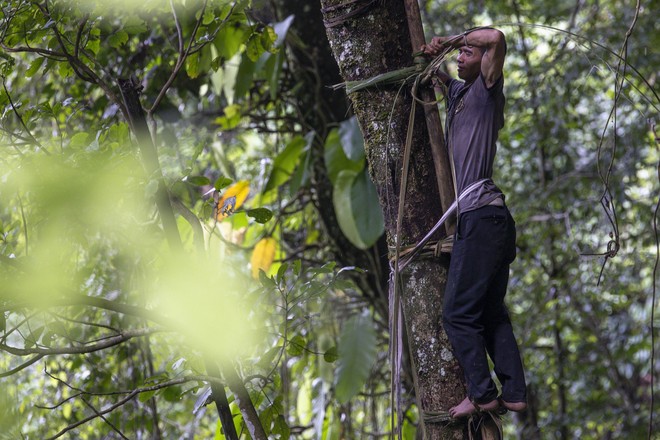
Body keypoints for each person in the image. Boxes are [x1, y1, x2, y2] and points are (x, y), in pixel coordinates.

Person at [421, 28, 528, 418]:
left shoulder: (486, 90)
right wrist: (431, 57)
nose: (462, 56)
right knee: (490, 312)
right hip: (492, 220)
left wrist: (451, 39)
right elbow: (437, 75)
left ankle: (483, 394)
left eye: (468, 51)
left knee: (457, 314)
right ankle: (514, 392)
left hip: (482, 218)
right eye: (460, 53)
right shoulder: (459, 95)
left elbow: (496, 37)